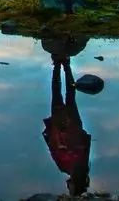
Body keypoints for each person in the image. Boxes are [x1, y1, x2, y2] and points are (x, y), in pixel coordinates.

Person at [41, 34, 92, 196]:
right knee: (66, 96)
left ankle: (61, 64)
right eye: (70, 188)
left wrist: (51, 134)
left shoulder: (73, 166)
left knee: (63, 96)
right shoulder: (78, 165)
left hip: (62, 128)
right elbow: (82, 144)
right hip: (69, 128)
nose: (67, 186)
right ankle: (63, 64)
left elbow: (54, 148)